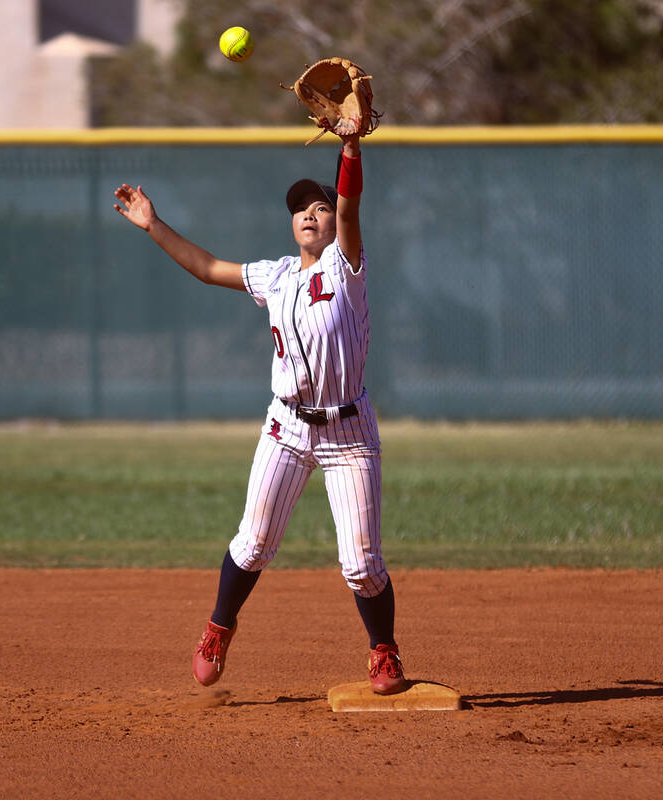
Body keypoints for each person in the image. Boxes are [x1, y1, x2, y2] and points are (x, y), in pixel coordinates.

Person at [112, 132, 407, 695]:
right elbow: (205, 267)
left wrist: (350, 148)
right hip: (287, 427)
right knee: (253, 544)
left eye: (318, 208)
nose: (310, 215)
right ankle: (218, 629)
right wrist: (153, 223)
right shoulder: (274, 277)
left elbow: (350, 205)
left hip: (348, 432)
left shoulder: (347, 268)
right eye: (300, 209)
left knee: (362, 564)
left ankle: (384, 652)